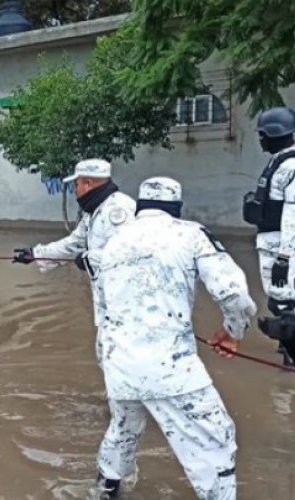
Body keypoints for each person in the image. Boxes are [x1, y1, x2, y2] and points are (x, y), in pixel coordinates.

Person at [87, 177, 257, 500]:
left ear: (140, 208)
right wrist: (232, 333)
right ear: (177, 208)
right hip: (171, 368)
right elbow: (234, 295)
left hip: (119, 363)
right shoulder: (189, 233)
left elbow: (105, 310)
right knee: (217, 438)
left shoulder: (112, 244)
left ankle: (106, 488)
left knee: (124, 427)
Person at [12, 159, 136, 326]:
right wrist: (36, 254)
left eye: (76, 185)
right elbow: (74, 244)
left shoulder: (117, 210)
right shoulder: (95, 211)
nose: (75, 191)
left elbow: (127, 255)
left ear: (88, 183)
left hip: (127, 301)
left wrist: (89, 258)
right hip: (107, 299)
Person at [243, 106, 295, 318]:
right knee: (277, 299)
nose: (261, 139)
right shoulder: (280, 160)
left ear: (273, 134)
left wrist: (284, 258)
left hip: (282, 245)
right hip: (271, 241)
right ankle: (290, 348)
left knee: (282, 300)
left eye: (262, 134)